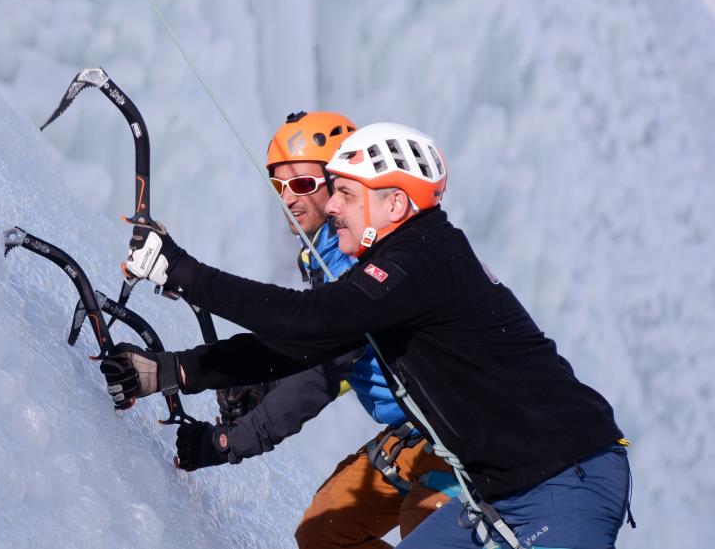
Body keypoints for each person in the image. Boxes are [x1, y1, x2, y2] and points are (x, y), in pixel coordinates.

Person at [105, 121, 634, 549]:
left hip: (566, 479)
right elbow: (299, 344)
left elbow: (307, 325)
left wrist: (183, 271)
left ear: (394, 205)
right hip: (503, 487)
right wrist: (172, 371)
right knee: (324, 535)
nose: (330, 205)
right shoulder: (402, 263)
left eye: (344, 193)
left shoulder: (417, 261)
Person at [172, 111, 455, 548]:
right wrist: (266, 386)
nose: (288, 197)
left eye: (302, 184)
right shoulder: (324, 255)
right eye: (278, 185)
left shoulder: (363, 258)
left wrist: (228, 442)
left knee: (425, 527)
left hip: (450, 435)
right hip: (410, 434)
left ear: (339, 183)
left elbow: (324, 375)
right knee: (323, 534)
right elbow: (342, 359)